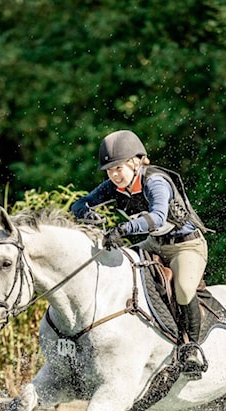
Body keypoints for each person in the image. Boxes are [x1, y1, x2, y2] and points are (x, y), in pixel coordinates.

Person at [70, 130, 211, 378]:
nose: (114, 174)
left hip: (186, 246)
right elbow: (81, 203)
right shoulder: (115, 186)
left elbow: (157, 218)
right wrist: (87, 214)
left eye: (118, 168)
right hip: (154, 244)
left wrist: (124, 228)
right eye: (109, 170)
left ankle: (192, 347)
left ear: (136, 162)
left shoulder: (155, 182)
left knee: (184, 289)